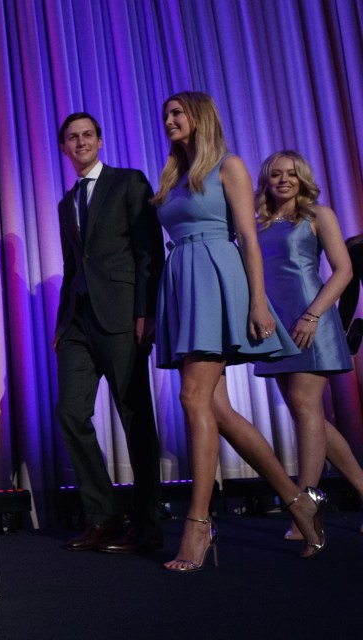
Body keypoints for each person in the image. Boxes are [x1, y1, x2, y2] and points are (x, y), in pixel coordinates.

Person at [151, 91, 324, 571]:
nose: (169, 120)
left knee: (193, 398)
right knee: (218, 409)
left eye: (177, 112)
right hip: (184, 278)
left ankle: (199, 522)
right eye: (165, 114)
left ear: (200, 116)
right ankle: (297, 500)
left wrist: (256, 301)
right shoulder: (173, 175)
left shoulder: (230, 165)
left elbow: (248, 236)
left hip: (216, 278)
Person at [53, 113, 165, 553]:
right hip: (79, 320)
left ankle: (149, 524)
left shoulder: (128, 182)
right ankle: (104, 517)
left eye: (86, 136)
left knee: (135, 417)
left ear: (99, 141)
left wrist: (146, 313)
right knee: (69, 412)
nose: (80, 143)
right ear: (64, 148)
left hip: (121, 316)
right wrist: (63, 324)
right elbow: (71, 269)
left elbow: (148, 251)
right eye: (71, 138)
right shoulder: (66, 203)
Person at [251, 150, 363, 540]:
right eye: (276, 174)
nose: (284, 180)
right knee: (308, 414)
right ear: (266, 180)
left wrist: (313, 315)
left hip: (310, 320)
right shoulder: (257, 224)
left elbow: (344, 270)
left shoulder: (319, 215)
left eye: (292, 175)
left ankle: (308, 502)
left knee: (305, 406)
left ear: (302, 180)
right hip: (274, 324)